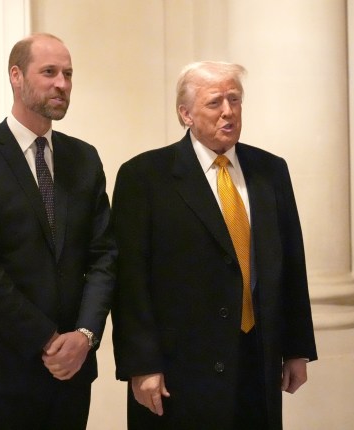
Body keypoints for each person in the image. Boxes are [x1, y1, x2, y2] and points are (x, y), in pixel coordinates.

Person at [111, 61, 317, 429]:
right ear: (185, 114)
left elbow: (291, 262)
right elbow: (130, 281)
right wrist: (141, 365)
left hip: (257, 357)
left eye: (234, 100)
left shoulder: (271, 170)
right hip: (180, 369)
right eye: (214, 102)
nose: (228, 111)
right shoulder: (145, 176)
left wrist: (297, 349)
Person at [0, 33, 116, 430]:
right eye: (50, 72)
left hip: (72, 373)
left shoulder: (84, 158)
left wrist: (85, 336)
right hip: (1, 371)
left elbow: (104, 255)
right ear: (16, 76)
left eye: (68, 74)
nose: (62, 83)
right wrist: (48, 339)